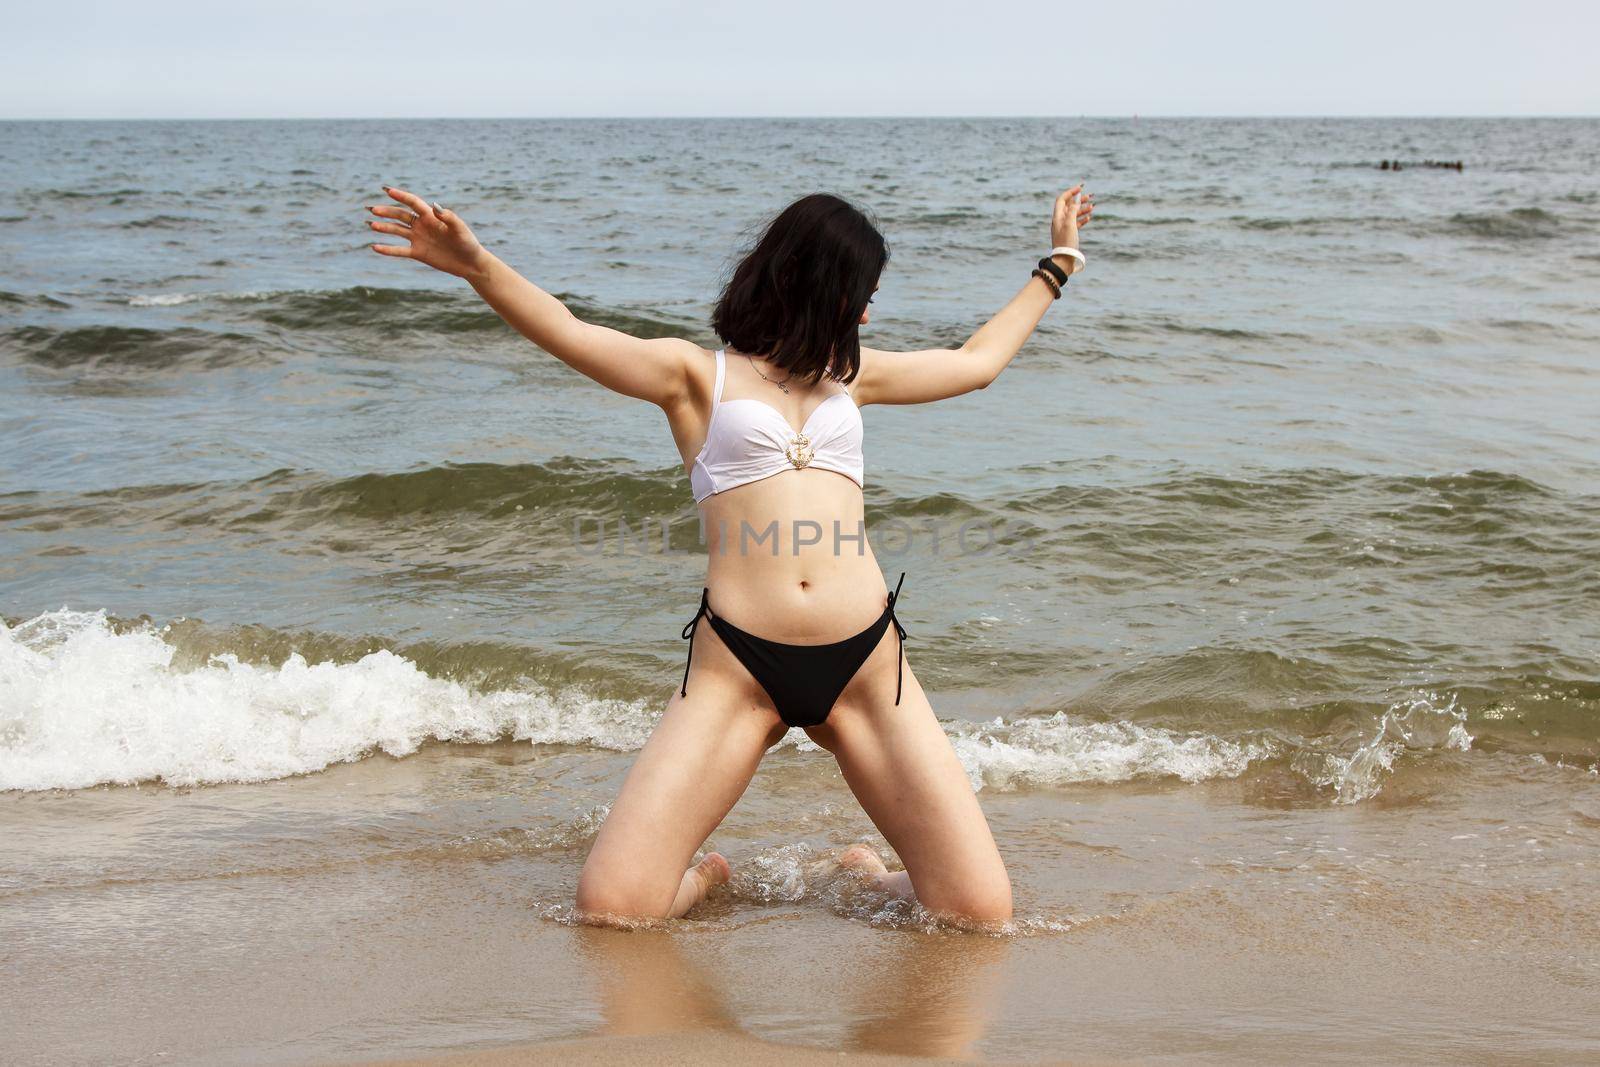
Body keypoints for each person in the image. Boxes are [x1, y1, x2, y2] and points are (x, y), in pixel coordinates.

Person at [366, 180, 1093, 928]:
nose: (870, 311)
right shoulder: (695, 377)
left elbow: (977, 362)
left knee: (978, 913)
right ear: (817, 285)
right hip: (739, 668)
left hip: (866, 667)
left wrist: (1058, 262)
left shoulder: (858, 377)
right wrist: (477, 265)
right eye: (862, 292)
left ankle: (868, 875)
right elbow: (570, 331)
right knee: (612, 909)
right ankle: (703, 876)